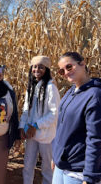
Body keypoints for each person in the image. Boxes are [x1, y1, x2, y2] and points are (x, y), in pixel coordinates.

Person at [52, 52, 101, 184]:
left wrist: (90, 177)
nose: (66, 73)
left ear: (83, 64)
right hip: (62, 166)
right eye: (61, 71)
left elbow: (96, 139)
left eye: (69, 67)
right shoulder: (71, 92)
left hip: (79, 172)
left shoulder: (96, 96)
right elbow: (62, 127)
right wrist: (55, 156)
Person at [19, 56, 60, 184]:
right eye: (35, 66)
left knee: (47, 168)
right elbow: (26, 110)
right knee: (28, 166)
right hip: (31, 134)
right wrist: (22, 126)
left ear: (46, 70)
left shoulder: (50, 88)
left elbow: (54, 114)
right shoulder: (31, 87)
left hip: (46, 136)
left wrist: (35, 126)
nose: (37, 69)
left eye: (41, 67)